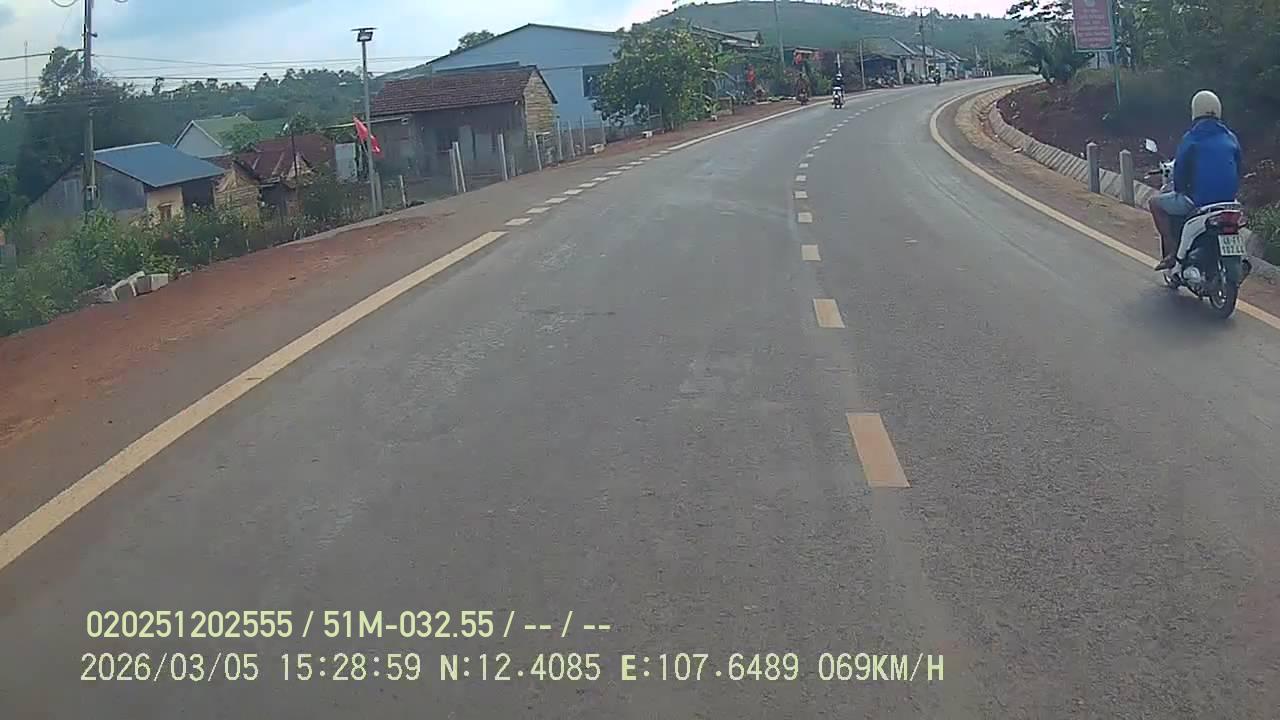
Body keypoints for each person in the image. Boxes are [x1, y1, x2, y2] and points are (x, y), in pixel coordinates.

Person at [1151, 90, 1243, 271]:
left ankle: (1171, 251)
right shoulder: (1231, 137)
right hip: (1229, 203)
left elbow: (1180, 170)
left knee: (1154, 203)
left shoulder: (1192, 138)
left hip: (1199, 202)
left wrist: (1180, 189)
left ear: (1195, 110)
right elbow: (1239, 167)